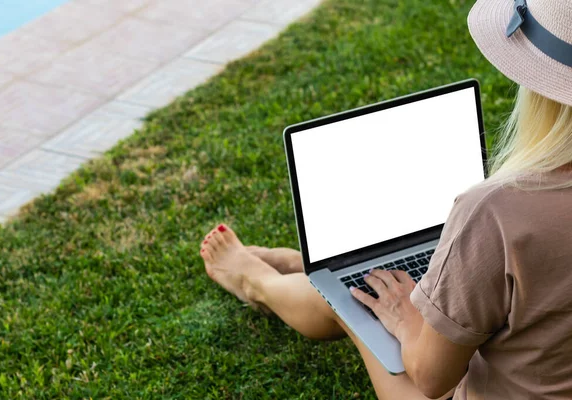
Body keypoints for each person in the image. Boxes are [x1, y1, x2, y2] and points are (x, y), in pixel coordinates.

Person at [200, 0, 572, 398]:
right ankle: (306, 268)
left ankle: (257, 281)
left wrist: (405, 318)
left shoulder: (498, 211)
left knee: (358, 303)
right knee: (388, 284)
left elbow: (432, 379)